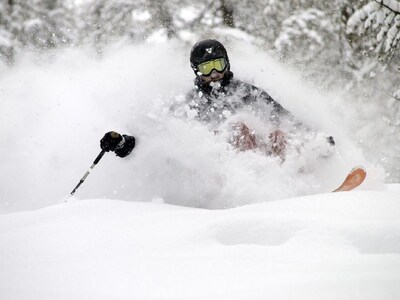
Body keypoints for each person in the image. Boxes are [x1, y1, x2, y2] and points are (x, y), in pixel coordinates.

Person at [100, 39, 334, 160]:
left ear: (227, 64)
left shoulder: (246, 92)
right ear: (196, 70)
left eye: (218, 65)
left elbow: (283, 117)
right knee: (237, 129)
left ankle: (296, 185)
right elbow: (161, 136)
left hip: (267, 161)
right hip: (226, 168)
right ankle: (256, 190)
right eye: (207, 68)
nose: (214, 74)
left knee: (278, 134)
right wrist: (123, 143)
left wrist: (315, 140)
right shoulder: (191, 103)